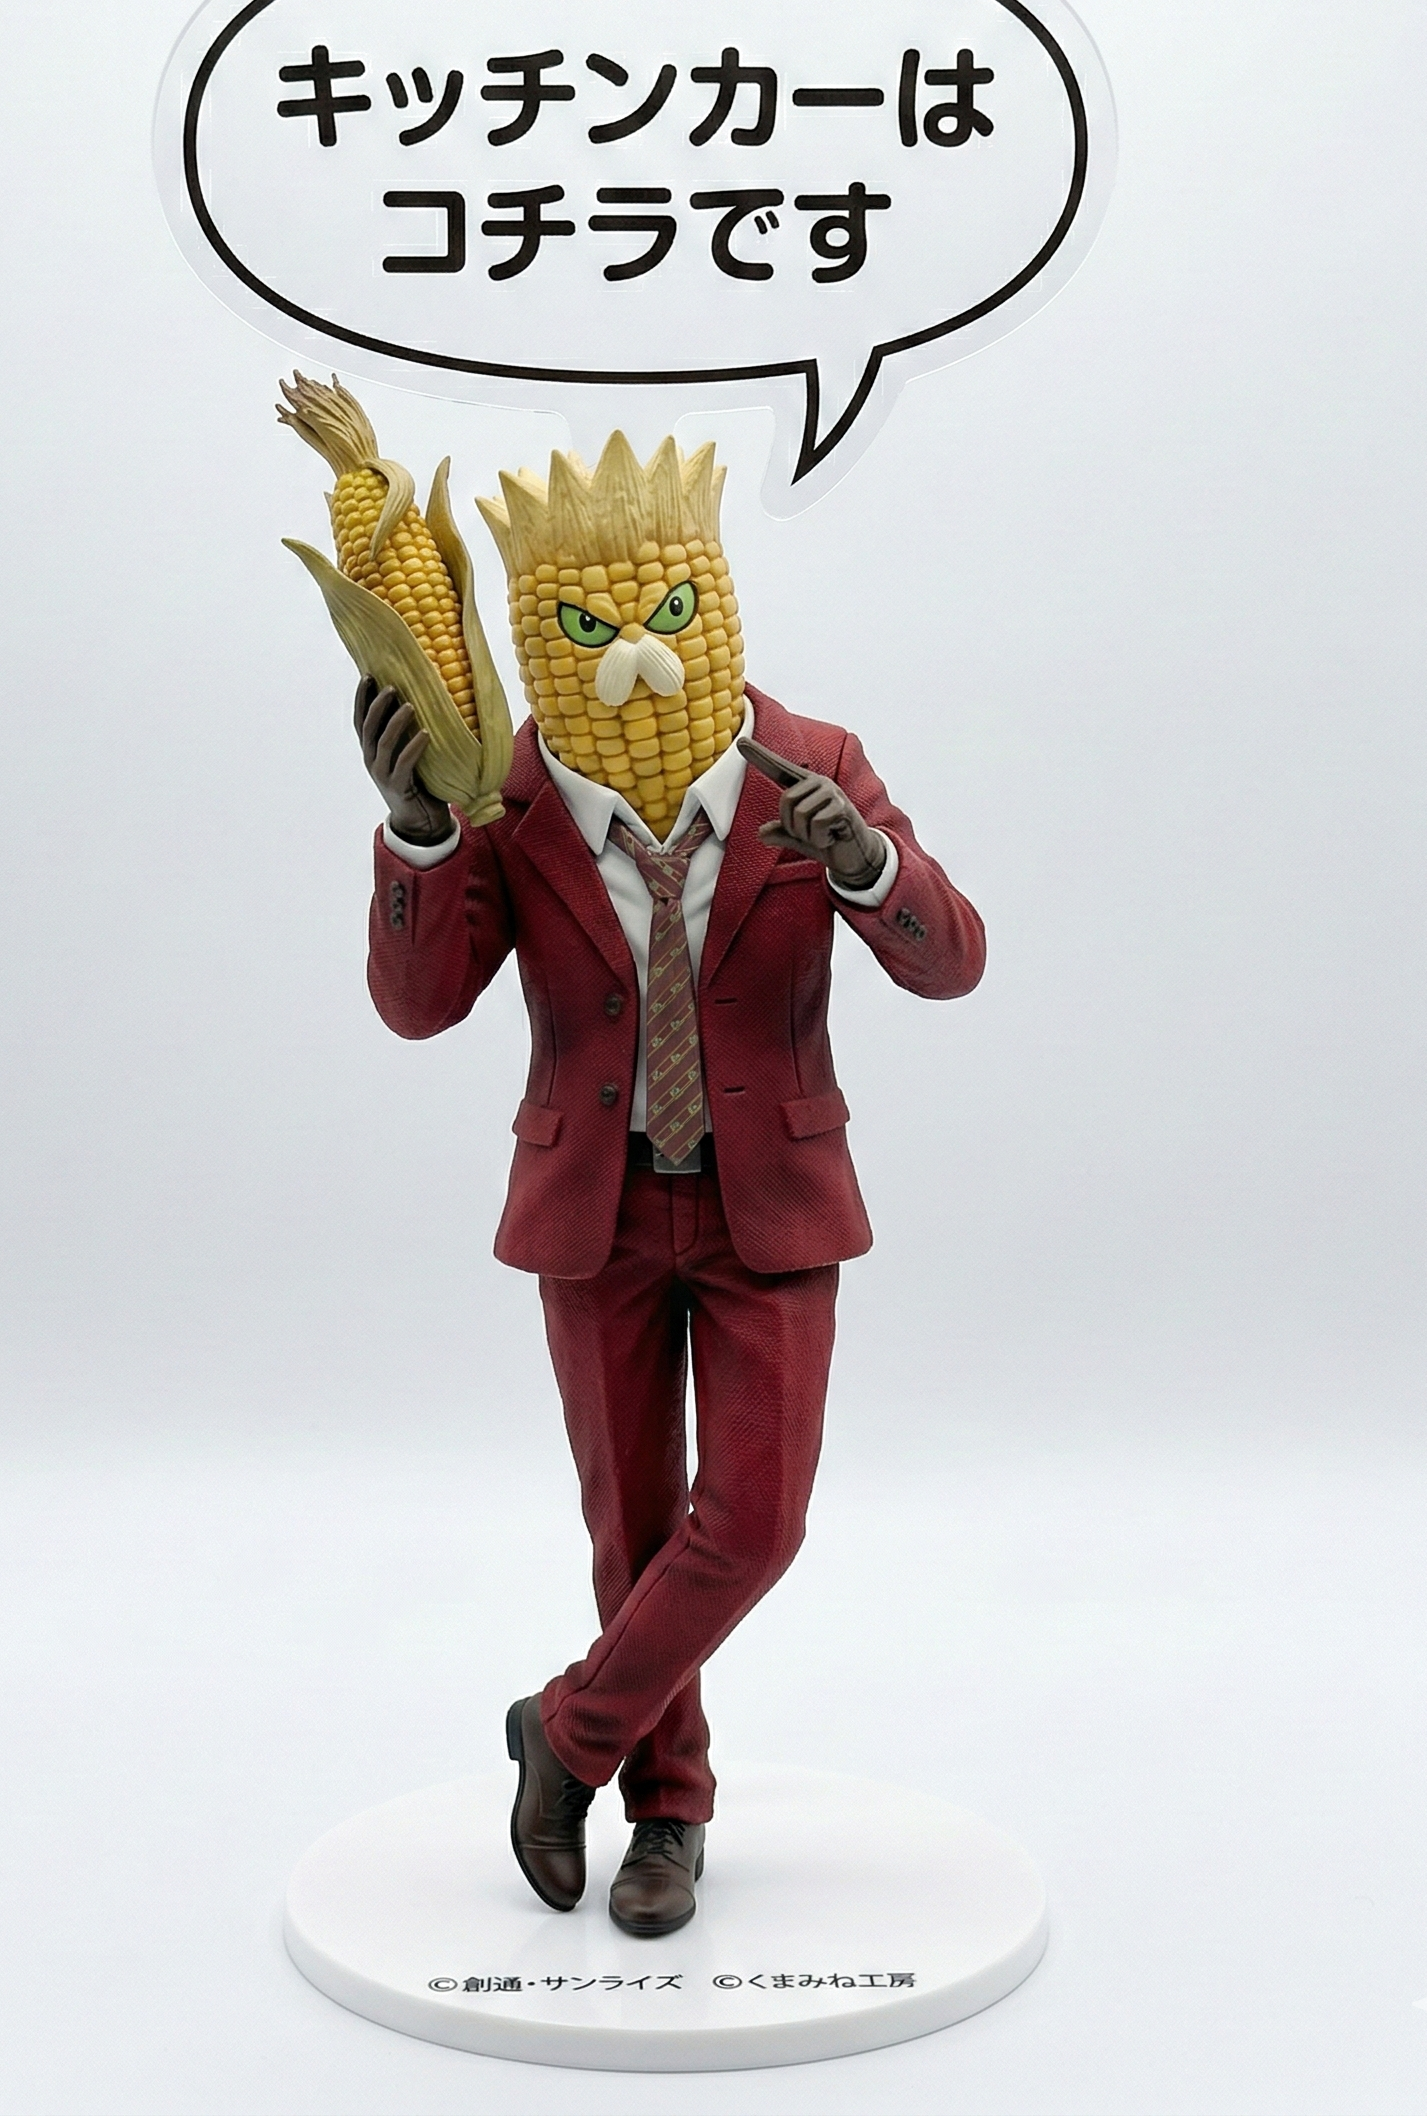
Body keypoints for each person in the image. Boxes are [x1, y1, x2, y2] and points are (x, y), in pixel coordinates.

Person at [358, 433, 984, 1936]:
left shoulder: (816, 765)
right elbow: (418, 1005)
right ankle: (669, 1815)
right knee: (634, 1533)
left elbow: (954, 960)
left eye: (667, 612)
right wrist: (422, 832)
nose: (633, 654)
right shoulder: (508, 791)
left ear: (715, 599)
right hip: (600, 1205)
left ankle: (564, 1735)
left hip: (772, 1200)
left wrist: (866, 867)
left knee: (753, 1523)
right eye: (585, 629)